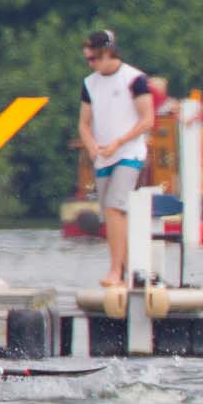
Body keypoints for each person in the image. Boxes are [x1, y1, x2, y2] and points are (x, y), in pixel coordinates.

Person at [77, 29, 156, 288]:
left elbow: (148, 120)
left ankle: (114, 271)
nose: (91, 64)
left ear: (108, 53)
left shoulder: (135, 79)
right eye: (88, 59)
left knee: (115, 206)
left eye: (95, 59)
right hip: (103, 156)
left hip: (129, 153)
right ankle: (130, 269)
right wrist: (91, 146)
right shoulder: (90, 83)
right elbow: (84, 123)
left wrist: (119, 142)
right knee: (110, 215)